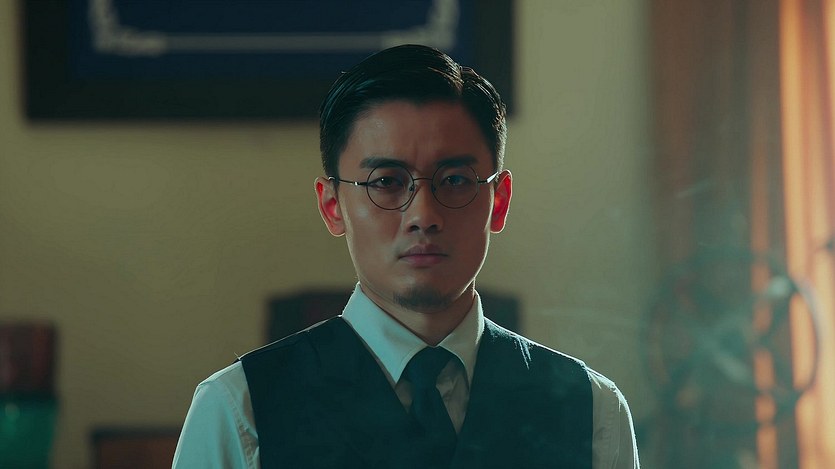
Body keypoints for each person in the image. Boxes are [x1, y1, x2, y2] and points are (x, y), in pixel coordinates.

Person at [173, 44, 639, 469]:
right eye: (386, 182)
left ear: (498, 202)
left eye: (454, 180)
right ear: (332, 206)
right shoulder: (241, 410)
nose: (423, 216)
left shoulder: (591, 411)